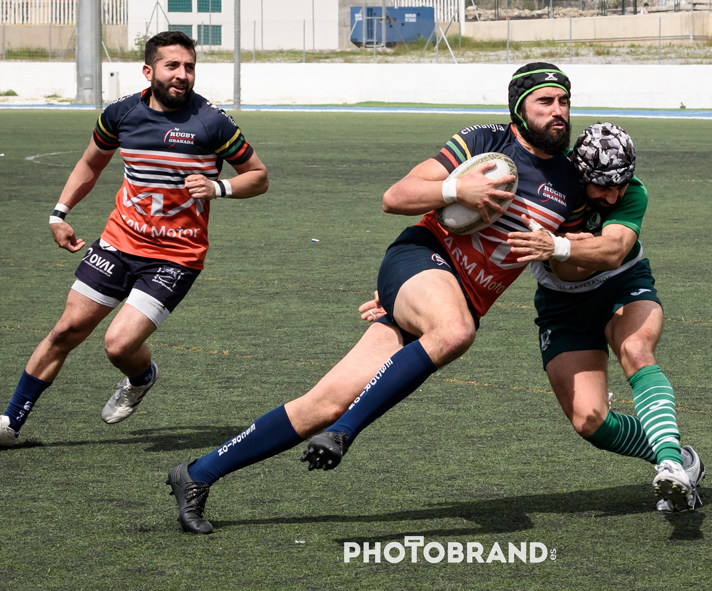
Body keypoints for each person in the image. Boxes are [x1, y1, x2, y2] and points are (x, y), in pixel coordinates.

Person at [164, 62, 586, 534]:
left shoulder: (571, 182)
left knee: (323, 404)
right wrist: (456, 188)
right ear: (519, 109)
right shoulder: (486, 141)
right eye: (545, 102)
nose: (558, 111)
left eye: (564, 102)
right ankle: (345, 432)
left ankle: (196, 474)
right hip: (420, 259)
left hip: (451, 297)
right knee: (454, 331)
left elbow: (569, 268)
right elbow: (396, 196)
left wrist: (559, 249)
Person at [0, 31, 269, 448]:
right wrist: (59, 213)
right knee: (67, 329)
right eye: (172, 65)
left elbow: (259, 176)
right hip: (118, 242)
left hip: (175, 256)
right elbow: (90, 164)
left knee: (119, 345)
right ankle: (10, 422)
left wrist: (220, 187)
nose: (182, 75)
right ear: (148, 71)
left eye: (189, 67)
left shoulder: (211, 122)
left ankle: (141, 376)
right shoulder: (120, 114)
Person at [506, 123, 704, 512]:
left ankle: (668, 464)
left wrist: (560, 245)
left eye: (620, 184)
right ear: (579, 174)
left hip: (622, 283)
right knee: (589, 421)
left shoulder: (635, 193)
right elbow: (566, 272)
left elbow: (613, 251)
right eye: (601, 186)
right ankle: (680, 459)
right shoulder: (550, 190)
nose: (612, 196)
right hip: (562, 305)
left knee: (636, 349)